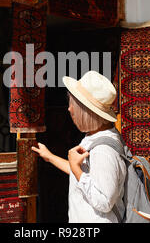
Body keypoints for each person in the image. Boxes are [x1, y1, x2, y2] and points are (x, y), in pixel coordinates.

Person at [32, 71, 126, 222]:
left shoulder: (103, 151)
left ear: (85, 111)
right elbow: (84, 174)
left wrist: (76, 168)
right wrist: (50, 157)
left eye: (73, 104)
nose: (69, 109)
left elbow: (104, 201)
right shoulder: (95, 137)